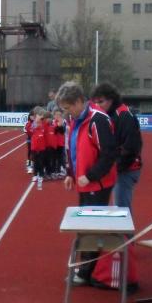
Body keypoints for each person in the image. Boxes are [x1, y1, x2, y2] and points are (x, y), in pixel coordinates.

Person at [57, 81, 117, 285]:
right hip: (84, 182)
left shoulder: (98, 120)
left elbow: (109, 154)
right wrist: (70, 173)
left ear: (79, 101)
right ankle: (88, 268)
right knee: (85, 226)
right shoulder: (74, 120)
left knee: (91, 228)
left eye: (68, 107)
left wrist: (90, 176)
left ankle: (86, 272)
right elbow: (72, 148)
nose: (66, 112)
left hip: (97, 184)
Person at [90, 82, 143, 212]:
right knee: (117, 207)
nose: (98, 105)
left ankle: (126, 227)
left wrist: (116, 166)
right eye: (95, 102)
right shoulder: (107, 114)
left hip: (126, 169)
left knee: (121, 210)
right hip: (116, 167)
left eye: (101, 101)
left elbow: (132, 147)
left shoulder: (123, 115)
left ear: (111, 99)